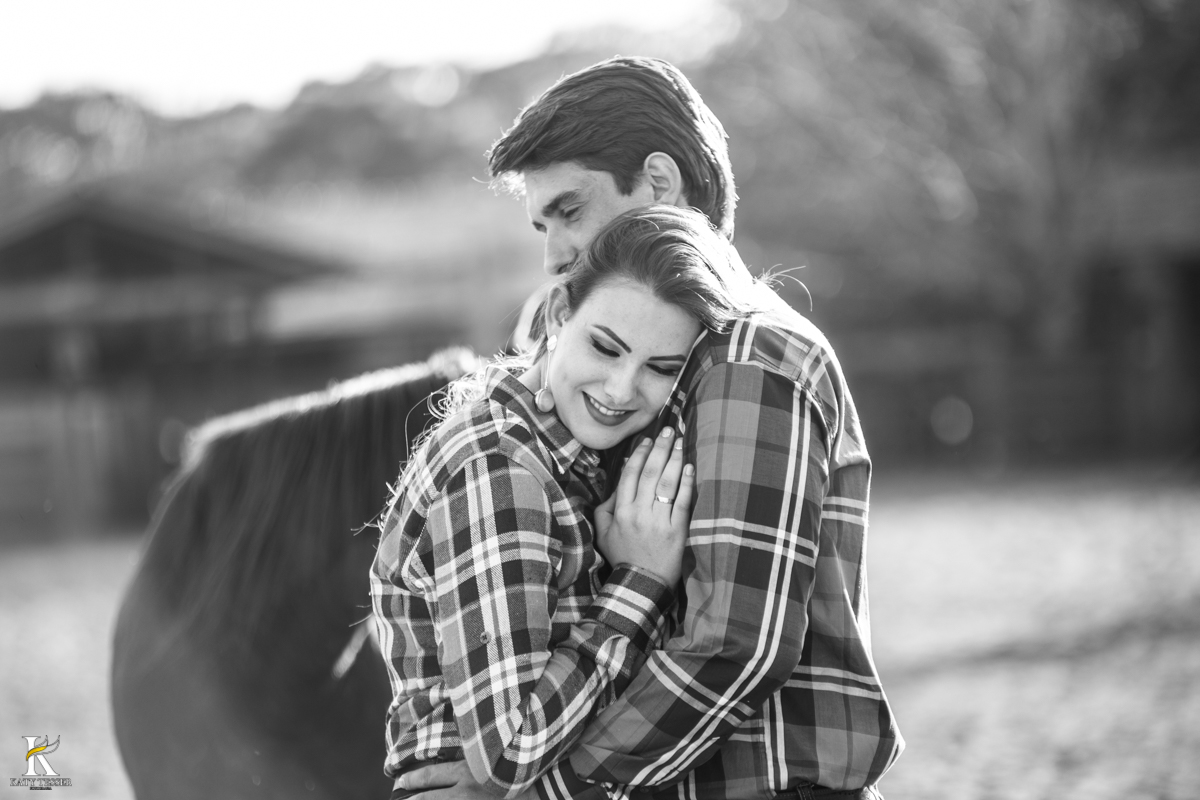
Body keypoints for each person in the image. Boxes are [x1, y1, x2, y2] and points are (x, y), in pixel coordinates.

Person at [396, 56, 903, 800]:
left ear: (659, 184)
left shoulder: (748, 354)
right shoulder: (648, 356)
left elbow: (735, 644)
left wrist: (544, 792)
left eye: (569, 211)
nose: (554, 253)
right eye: (542, 224)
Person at [371, 206, 773, 800]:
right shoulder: (501, 468)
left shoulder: (565, 460)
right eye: (606, 348)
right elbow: (508, 753)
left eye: (660, 368)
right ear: (560, 314)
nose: (620, 389)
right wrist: (641, 580)